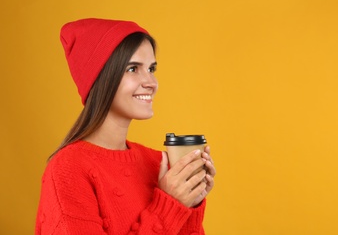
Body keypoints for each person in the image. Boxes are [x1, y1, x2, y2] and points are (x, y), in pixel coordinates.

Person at [35, 18, 216, 235]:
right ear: (100, 77)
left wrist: (191, 201)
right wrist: (169, 205)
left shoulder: (157, 163)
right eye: (132, 68)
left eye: (151, 68)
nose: (151, 82)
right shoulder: (68, 169)